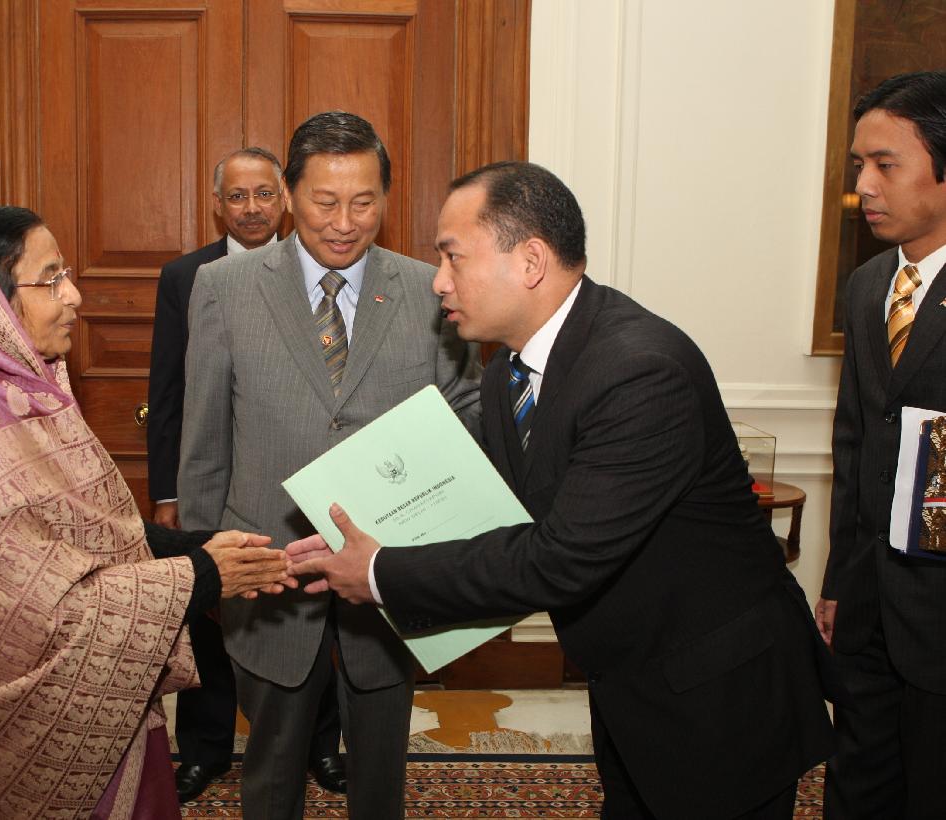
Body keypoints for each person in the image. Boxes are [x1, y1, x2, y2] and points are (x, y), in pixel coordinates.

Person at [288, 161, 839, 820]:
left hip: (718, 694)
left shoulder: (640, 371)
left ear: (529, 261)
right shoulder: (508, 372)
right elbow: (482, 506)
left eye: (453, 257)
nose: (438, 281)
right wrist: (359, 535)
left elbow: (559, 558)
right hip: (630, 679)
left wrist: (380, 573)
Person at [0, 205, 291, 818]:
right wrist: (202, 575)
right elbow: (41, 612)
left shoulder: (24, 395)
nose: (74, 295)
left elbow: (85, 534)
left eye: (66, 273)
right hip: (30, 737)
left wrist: (201, 548)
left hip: (102, 701)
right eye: (50, 279)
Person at [179, 111, 481, 819]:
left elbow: (463, 419)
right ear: (289, 194)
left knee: (380, 772)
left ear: (387, 198)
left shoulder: (429, 290)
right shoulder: (224, 287)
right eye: (325, 202)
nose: (345, 224)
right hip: (269, 573)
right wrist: (207, 568)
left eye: (364, 202)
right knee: (271, 768)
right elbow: (204, 444)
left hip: (389, 573)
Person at [148, 147, 347, 801]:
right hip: (222, 483)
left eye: (264, 194)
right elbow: (170, 391)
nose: (252, 208)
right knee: (213, 619)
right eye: (238, 196)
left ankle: (321, 747)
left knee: (316, 624)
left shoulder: (321, 270)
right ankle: (204, 750)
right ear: (217, 204)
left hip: (307, 486)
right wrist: (170, 493)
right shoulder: (186, 277)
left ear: (284, 199)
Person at [814, 71, 946, 819]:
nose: (863, 185)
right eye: (858, 165)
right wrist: (838, 581)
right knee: (858, 786)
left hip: (939, 612)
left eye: (885, 165)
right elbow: (855, 442)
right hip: (868, 603)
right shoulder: (868, 286)